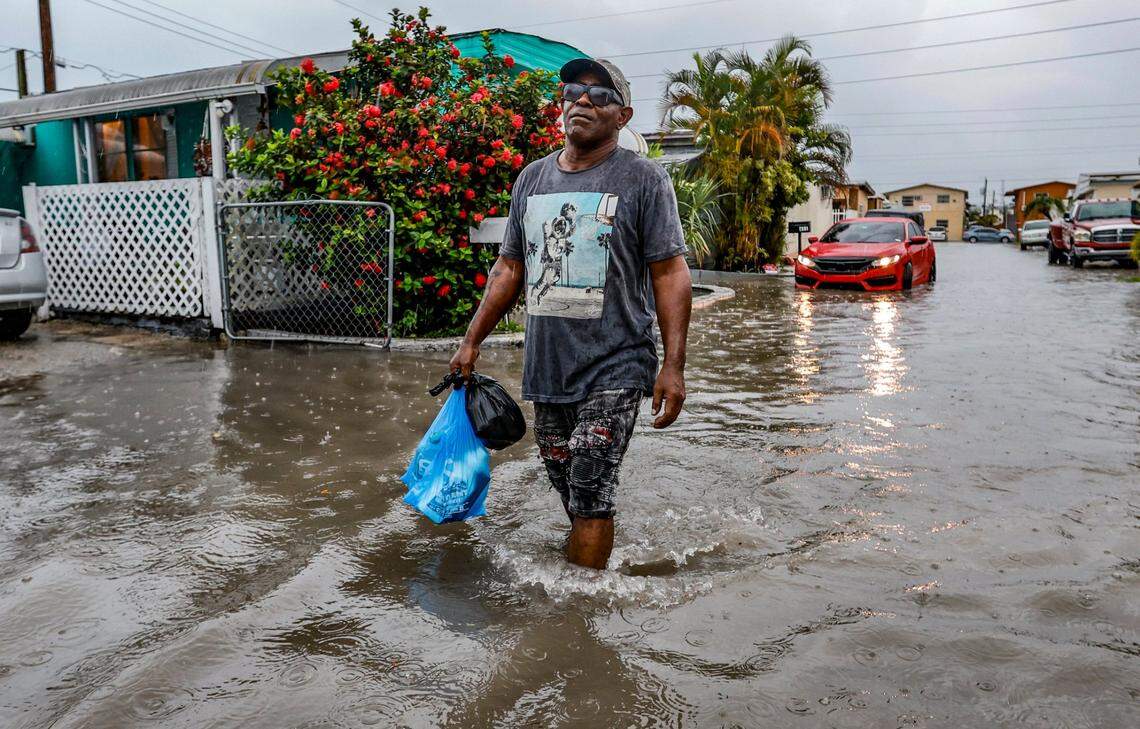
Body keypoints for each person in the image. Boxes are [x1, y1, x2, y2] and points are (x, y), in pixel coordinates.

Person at [450, 58, 692, 570]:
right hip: (548, 367)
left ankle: (578, 618)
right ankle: (590, 566)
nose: (582, 100)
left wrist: (673, 366)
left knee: (588, 486)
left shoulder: (644, 179)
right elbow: (509, 268)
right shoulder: (532, 180)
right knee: (568, 485)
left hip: (618, 361)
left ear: (621, 116)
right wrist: (471, 341)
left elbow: (670, 273)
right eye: (572, 91)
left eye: (599, 95)